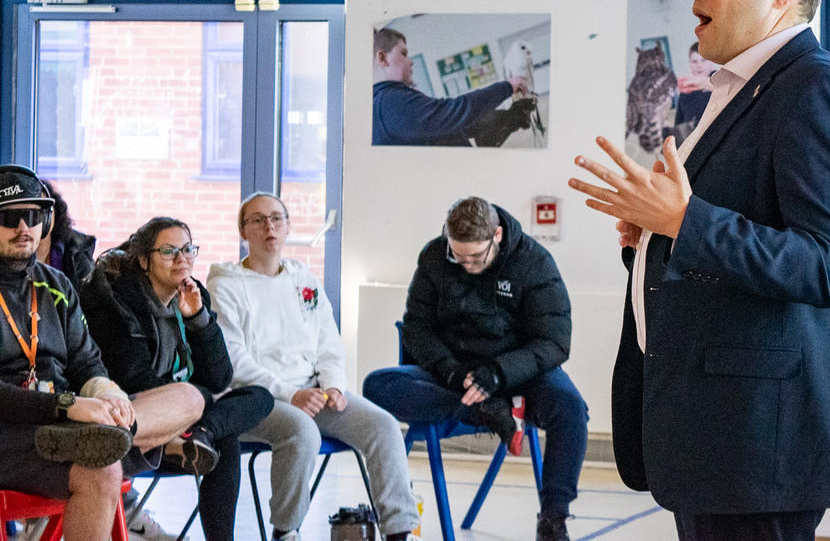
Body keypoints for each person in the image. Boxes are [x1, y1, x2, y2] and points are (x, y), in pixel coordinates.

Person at [568, 0, 830, 540]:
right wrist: (652, 236)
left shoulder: (814, 92)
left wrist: (685, 222)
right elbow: (724, 235)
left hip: (760, 443)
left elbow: (829, 266)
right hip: (716, 433)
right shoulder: (740, 89)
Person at [0, 164, 206, 541]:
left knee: (190, 397)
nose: (23, 228)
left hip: (70, 423)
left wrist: (107, 397)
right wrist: (67, 407)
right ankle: (102, 435)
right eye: (10, 217)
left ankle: (104, 432)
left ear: (46, 223)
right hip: (11, 433)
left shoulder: (57, 284)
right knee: (104, 462)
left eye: (32, 216)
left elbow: (86, 361)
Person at [363, 197, 587, 541]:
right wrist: (451, 371)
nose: (466, 264)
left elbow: (554, 341)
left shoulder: (533, 262)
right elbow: (416, 328)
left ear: (497, 235)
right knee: (377, 385)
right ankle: (489, 411)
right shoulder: (435, 256)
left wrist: (499, 373)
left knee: (570, 409)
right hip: (454, 376)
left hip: (518, 372)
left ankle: (554, 519)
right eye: (458, 255)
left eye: (476, 257)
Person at [207, 193, 421, 541]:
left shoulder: (304, 281)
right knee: (301, 430)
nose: (269, 227)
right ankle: (286, 530)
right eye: (258, 220)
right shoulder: (225, 285)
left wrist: (334, 385)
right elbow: (234, 361)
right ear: (243, 231)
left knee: (382, 425)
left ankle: (399, 531)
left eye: (277, 218)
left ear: (289, 226)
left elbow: (329, 343)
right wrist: (291, 394)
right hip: (258, 399)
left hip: (313, 392)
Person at [81, 216, 275, 541]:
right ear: (144, 259)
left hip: (185, 424)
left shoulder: (193, 297)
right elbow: (135, 382)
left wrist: (199, 320)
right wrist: (197, 398)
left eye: (188, 249)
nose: (182, 259)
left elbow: (220, 377)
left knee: (260, 397)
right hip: (139, 427)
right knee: (223, 438)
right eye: (169, 251)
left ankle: (199, 435)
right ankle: (200, 434)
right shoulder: (118, 304)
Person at [373, 27, 533, 146]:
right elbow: (453, 112)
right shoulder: (389, 103)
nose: (411, 61)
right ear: (382, 58)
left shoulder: (388, 100)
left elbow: (444, 126)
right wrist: (507, 87)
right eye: (403, 54)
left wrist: (509, 116)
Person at [37, 179, 97, 291]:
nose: (38, 218)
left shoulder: (76, 252)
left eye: (44, 210)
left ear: (56, 211)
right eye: (29, 212)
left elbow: (91, 303)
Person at [670, 42, 718, 142]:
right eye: (694, 62)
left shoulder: (723, 81)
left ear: (711, 62)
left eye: (703, 61)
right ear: (690, 63)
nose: (699, 66)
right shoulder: (686, 91)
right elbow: (679, 125)